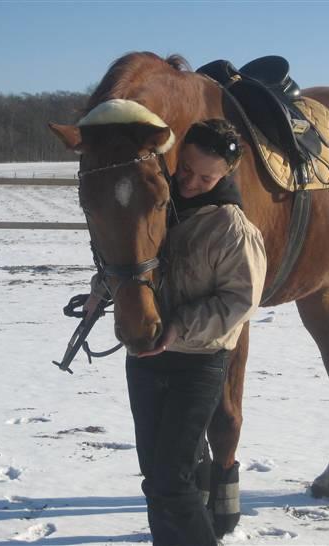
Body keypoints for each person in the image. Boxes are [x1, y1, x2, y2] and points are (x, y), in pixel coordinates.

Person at [86, 119, 266, 546]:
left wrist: (178, 329)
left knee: (174, 479)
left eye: (206, 176)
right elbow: (134, 262)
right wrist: (101, 290)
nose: (191, 182)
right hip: (146, 359)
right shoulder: (159, 205)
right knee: (155, 477)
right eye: (186, 170)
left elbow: (240, 303)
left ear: (225, 174)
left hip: (198, 363)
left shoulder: (232, 229)